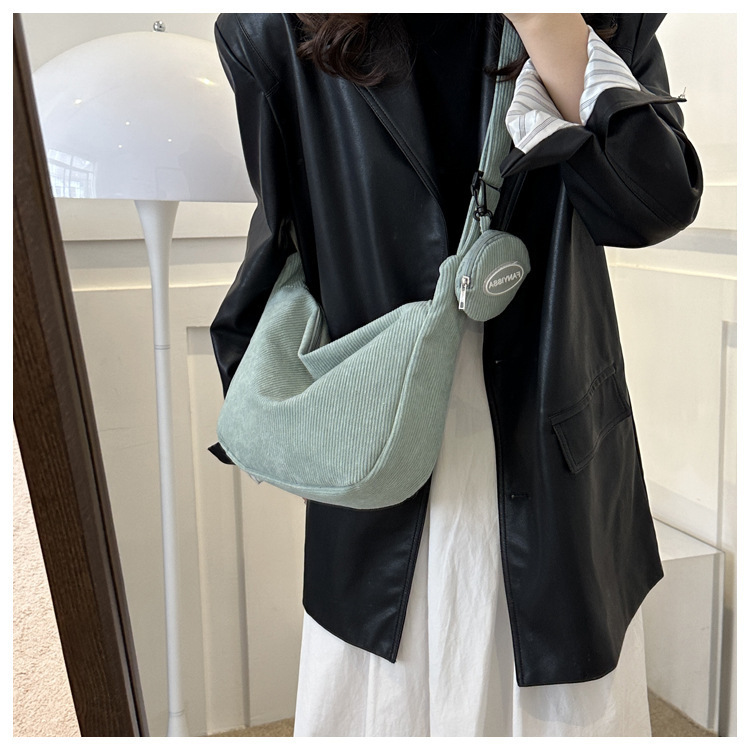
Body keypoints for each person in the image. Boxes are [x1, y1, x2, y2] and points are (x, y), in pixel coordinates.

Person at [208, 12, 702, 737]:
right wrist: (268, 412)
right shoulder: (276, 29)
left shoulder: (598, 16)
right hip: (378, 452)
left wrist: (548, 23)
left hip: (551, 458)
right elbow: (280, 240)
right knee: (386, 709)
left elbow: (652, 207)